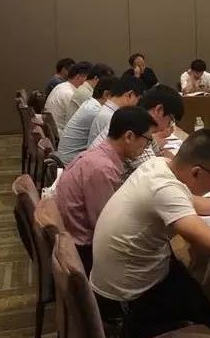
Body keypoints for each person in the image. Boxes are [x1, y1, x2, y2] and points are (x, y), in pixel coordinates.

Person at [90, 129, 210, 338]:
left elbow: (186, 199)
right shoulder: (165, 189)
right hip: (130, 298)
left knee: (198, 283)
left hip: (118, 280)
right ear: (196, 172)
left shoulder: (159, 165)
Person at [55, 106, 157, 274]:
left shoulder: (99, 156)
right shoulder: (102, 169)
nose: (147, 146)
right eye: (148, 140)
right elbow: (106, 227)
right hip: (84, 251)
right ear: (129, 136)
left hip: (77, 239)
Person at [91, 85, 185, 177]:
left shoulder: (142, 123)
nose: (169, 125)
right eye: (170, 120)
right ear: (159, 110)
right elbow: (155, 173)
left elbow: (161, 153)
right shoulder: (135, 126)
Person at [56, 76, 117, 165]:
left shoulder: (90, 103)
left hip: (64, 156)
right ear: (106, 95)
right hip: (70, 162)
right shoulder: (97, 111)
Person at [87, 77, 144, 147]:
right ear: (130, 94)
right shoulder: (111, 116)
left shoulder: (107, 110)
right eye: (138, 99)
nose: (136, 104)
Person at [43, 62, 90, 136]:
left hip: (51, 132)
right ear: (78, 77)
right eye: (88, 80)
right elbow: (76, 123)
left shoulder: (61, 86)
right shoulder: (70, 94)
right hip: (60, 135)